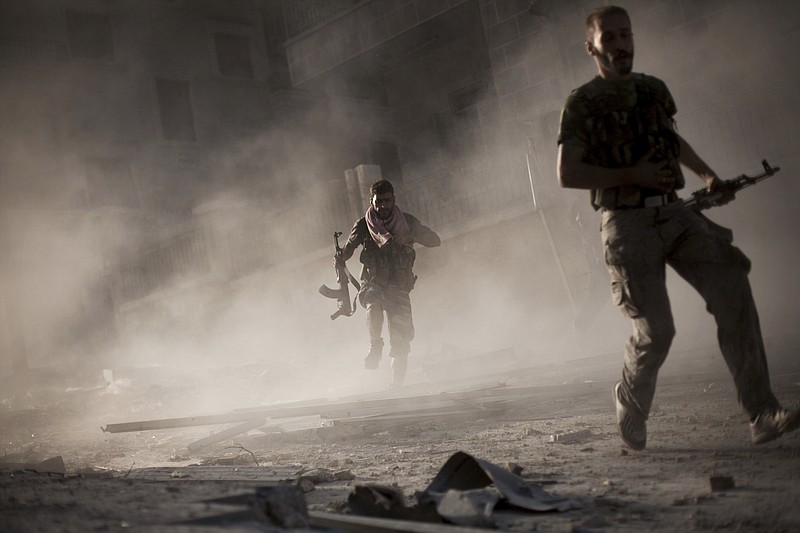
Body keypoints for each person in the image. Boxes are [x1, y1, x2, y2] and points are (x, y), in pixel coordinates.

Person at [556, 5, 800, 450]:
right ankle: (629, 396)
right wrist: (635, 175)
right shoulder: (582, 102)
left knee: (732, 285)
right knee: (658, 331)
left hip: (675, 212)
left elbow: (672, 141)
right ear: (591, 47)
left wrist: (709, 177)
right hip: (625, 225)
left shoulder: (653, 90)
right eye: (608, 38)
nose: (620, 44)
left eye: (625, 35)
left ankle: (762, 412)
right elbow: (568, 172)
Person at [337, 179, 441, 388]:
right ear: (371, 201)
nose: (382, 206)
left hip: (399, 285)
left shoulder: (408, 222)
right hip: (373, 280)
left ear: (393, 199)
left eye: (386, 201)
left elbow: (435, 241)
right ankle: (375, 344)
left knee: (401, 341)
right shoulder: (363, 225)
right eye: (378, 202)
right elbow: (347, 252)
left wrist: (410, 235)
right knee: (373, 302)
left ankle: (397, 389)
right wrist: (338, 257)